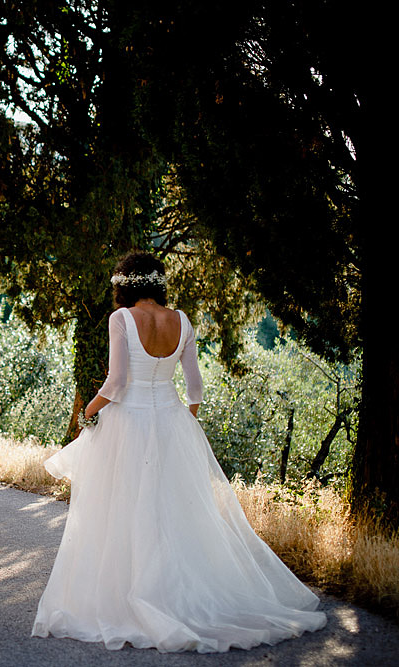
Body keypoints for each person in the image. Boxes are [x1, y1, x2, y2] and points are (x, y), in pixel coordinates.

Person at [32, 251, 326, 652]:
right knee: (172, 512)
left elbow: (116, 381)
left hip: (128, 423)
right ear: (157, 282)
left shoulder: (121, 319)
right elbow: (196, 386)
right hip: (172, 421)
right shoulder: (182, 320)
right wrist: (181, 420)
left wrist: (89, 410)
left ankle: (129, 595)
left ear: (123, 285)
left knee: (121, 510)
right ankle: (179, 593)